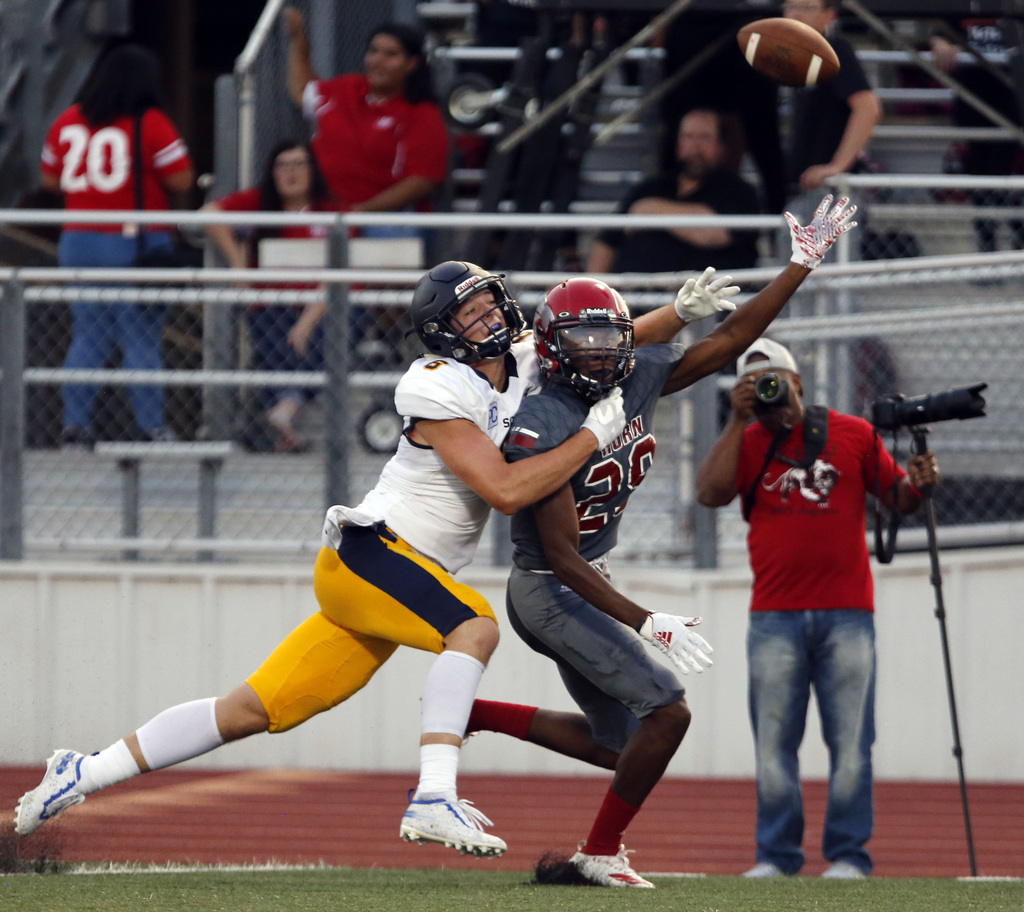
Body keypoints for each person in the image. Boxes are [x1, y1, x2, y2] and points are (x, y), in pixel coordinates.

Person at [13, 258, 720, 857]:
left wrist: (679, 311)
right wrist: (592, 438)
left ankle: (85, 770)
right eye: (467, 315)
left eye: (486, 305)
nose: (483, 320)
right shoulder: (435, 382)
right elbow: (506, 492)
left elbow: (599, 342)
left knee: (254, 709)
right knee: (474, 628)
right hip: (371, 554)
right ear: (443, 332)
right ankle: (433, 796)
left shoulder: (523, 360)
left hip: (402, 580)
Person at [465, 194, 857, 888]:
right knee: (669, 712)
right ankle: (598, 856)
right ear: (553, 350)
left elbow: (729, 342)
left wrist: (800, 265)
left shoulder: (631, 377)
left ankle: (474, 713)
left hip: (584, 575)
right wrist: (648, 621)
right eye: (587, 341)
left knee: (625, 744)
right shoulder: (543, 421)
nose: (606, 353)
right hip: (551, 588)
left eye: (614, 337)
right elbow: (558, 556)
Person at [694, 337, 940, 880]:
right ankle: (777, 857)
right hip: (773, 616)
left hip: (848, 613)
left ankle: (850, 856)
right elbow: (709, 495)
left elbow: (896, 497)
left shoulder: (853, 433)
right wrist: (736, 422)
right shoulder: (748, 440)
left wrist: (920, 486)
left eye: (774, 380)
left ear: (798, 382)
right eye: (754, 384)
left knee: (852, 743)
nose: (769, 391)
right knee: (774, 745)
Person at [40, 44, 195, 448]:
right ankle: (151, 427)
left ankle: (75, 426)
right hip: (133, 243)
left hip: (77, 241)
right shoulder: (150, 121)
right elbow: (181, 179)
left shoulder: (68, 119)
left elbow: (50, 179)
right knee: (141, 337)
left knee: (87, 336)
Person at [201, 139, 340, 453]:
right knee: (274, 335)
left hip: (320, 306)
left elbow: (343, 273)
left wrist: (306, 322)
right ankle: (284, 417)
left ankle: (282, 411)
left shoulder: (330, 210)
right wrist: (238, 264)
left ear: (313, 170)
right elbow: (209, 213)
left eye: (299, 165)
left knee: (327, 331)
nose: (290, 173)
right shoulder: (259, 202)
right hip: (271, 303)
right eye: (282, 165)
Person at [284, 9, 448, 218]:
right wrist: (298, 38)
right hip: (324, 212)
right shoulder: (347, 87)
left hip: (386, 220)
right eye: (373, 51)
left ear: (411, 64)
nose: (377, 60)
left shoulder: (423, 113)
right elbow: (302, 91)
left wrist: (358, 213)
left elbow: (422, 181)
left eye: (391, 55)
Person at [586, 108, 761, 275]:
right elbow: (607, 243)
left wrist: (648, 210)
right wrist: (595, 294)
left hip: (707, 300)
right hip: (638, 297)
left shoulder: (739, 192)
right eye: (688, 137)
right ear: (677, 142)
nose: (696, 146)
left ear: (722, 145)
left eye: (705, 137)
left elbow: (714, 233)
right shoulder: (650, 188)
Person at [658, 10, 787, 213]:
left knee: (765, 140)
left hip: (751, 24)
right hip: (693, 25)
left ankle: (781, 225)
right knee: (678, 132)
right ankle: (665, 217)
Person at [930, 19, 1024, 254]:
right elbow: (941, 30)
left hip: (1009, 108)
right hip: (973, 106)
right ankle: (992, 241)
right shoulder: (966, 9)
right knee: (979, 176)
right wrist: (939, 40)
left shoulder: (1012, 10)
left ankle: (1000, 239)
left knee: (996, 178)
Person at [783, 0, 882, 197]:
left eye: (808, 7)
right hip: (805, 185)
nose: (797, 14)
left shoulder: (834, 50)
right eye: (791, 6)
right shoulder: (793, 56)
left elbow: (868, 107)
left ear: (830, 15)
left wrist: (837, 166)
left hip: (830, 189)